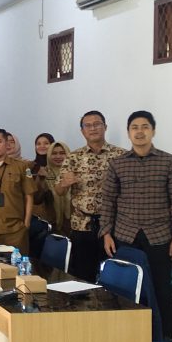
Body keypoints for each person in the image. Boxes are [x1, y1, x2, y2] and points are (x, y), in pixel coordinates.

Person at [100, 111, 172, 340]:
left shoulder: (169, 162)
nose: (140, 131)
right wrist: (106, 233)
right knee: (125, 287)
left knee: (161, 288)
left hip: (160, 236)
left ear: (153, 131)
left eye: (145, 126)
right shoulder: (118, 164)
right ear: (128, 133)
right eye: (134, 127)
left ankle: (165, 337)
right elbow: (108, 200)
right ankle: (126, 336)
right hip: (125, 234)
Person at [54, 110, 125, 282]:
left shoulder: (121, 155)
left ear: (105, 127)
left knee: (113, 277)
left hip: (113, 226)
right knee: (83, 276)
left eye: (97, 124)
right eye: (88, 125)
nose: (93, 128)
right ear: (82, 131)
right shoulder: (73, 157)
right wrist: (64, 184)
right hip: (82, 225)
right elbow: (59, 191)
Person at [43, 142, 71, 236]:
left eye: (62, 153)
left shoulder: (75, 172)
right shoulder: (43, 173)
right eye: (54, 153)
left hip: (72, 223)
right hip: (50, 223)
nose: (58, 156)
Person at [31, 133, 55, 221]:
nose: (42, 146)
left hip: (61, 213)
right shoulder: (31, 167)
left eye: (46, 143)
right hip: (39, 216)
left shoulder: (59, 165)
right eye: (38, 144)